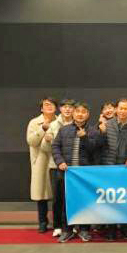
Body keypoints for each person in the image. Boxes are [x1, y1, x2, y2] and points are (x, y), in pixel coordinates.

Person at [52, 102, 102, 242]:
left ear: (88, 114)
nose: (80, 114)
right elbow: (55, 147)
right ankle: (67, 230)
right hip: (67, 173)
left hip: (84, 175)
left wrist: (84, 137)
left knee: (85, 202)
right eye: (77, 111)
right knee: (67, 202)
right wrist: (60, 161)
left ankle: (84, 230)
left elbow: (95, 150)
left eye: (83, 112)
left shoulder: (93, 131)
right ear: (73, 113)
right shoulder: (64, 130)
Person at [99, 98, 127, 241]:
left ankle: (125, 227)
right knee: (110, 199)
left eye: (125, 108)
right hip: (109, 167)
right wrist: (101, 132)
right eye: (120, 108)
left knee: (124, 199)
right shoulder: (107, 125)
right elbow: (99, 145)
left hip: (126, 168)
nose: (122, 111)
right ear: (116, 109)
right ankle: (111, 229)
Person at [40, 98, 75, 238]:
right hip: (55, 166)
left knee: (71, 198)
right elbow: (44, 148)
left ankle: (72, 225)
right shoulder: (53, 125)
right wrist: (47, 140)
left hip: (73, 168)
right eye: (64, 107)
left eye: (70, 107)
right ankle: (58, 226)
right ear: (60, 109)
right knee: (57, 198)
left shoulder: (77, 124)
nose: (67, 109)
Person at [27, 97, 58, 233]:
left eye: (52, 104)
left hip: (56, 159)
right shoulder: (34, 122)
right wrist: (42, 129)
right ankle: (42, 221)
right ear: (41, 109)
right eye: (46, 105)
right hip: (40, 161)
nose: (49, 107)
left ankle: (59, 222)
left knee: (58, 193)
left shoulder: (60, 121)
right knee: (41, 193)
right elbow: (31, 141)